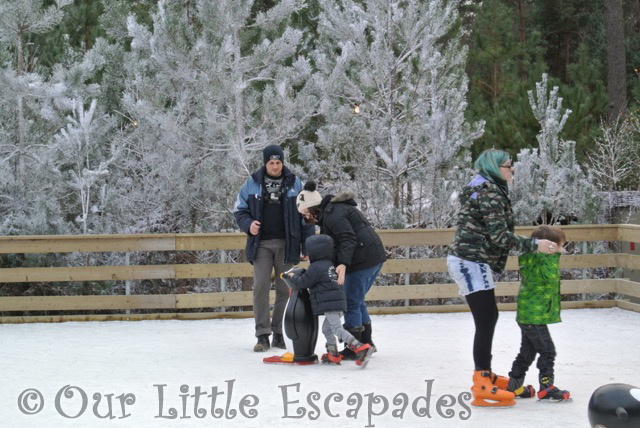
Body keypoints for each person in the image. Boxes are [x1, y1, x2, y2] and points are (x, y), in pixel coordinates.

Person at [446, 148, 558, 407]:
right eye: (508, 166)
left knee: (488, 317)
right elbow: (499, 236)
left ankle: (484, 374)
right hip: (470, 260)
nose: (512, 170)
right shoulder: (490, 192)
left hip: (473, 260)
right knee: (486, 318)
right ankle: (482, 381)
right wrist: (534, 245)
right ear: (495, 168)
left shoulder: (487, 189)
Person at [233, 145, 315, 352]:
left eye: (278, 162)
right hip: (260, 244)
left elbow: (307, 217)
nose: (275, 166)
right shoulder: (251, 183)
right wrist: (248, 224)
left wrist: (307, 245)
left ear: (283, 163)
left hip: (288, 245)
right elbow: (239, 210)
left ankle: (278, 332)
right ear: (265, 163)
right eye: (272, 163)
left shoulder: (295, 184)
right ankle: (262, 335)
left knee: (283, 289)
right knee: (260, 286)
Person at [295, 181, 386, 360]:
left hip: (363, 259)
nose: (307, 218)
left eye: (306, 213)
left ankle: (354, 349)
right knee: (357, 300)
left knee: (351, 301)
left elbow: (347, 238)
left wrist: (342, 264)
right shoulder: (330, 212)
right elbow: (336, 243)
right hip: (371, 257)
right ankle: (367, 342)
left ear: (312, 209)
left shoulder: (332, 215)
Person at [286, 234, 374, 367]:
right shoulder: (330, 265)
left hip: (330, 305)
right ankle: (333, 354)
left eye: (308, 252)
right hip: (338, 303)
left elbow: (302, 283)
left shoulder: (316, 267)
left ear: (316, 252)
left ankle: (360, 347)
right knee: (327, 328)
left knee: (337, 329)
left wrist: (292, 277)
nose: (307, 255)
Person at [506, 225, 571, 401]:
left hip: (530, 315)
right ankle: (546, 387)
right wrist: (551, 256)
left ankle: (513, 387)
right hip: (533, 316)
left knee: (527, 353)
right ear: (549, 246)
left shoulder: (532, 259)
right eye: (560, 246)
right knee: (548, 351)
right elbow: (549, 277)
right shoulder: (541, 262)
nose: (562, 250)